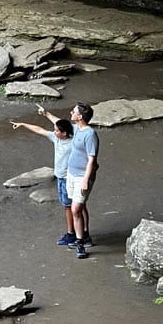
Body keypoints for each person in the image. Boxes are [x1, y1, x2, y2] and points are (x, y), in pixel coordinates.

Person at [10, 107, 76, 245]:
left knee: (69, 206)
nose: (54, 132)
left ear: (64, 133)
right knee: (70, 206)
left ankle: (72, 233)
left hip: (68, 178)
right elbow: (40, 130)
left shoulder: (74, 141)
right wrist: (24, 124)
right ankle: (77, 233)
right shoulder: (57, 137)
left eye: (57, 131)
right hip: (61, 177)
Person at [65, 102, 99, 259]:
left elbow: (92, 159)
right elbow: (59, 123)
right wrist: (46, 114)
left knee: (75, 209)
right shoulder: (76, 128)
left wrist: (85, 180)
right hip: (71, 174)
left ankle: (80, 244)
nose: (71, 112)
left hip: (82, 176)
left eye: (74, 111)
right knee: (79, 206)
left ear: (79, 116)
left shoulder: (90, 134)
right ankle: (85, 236)